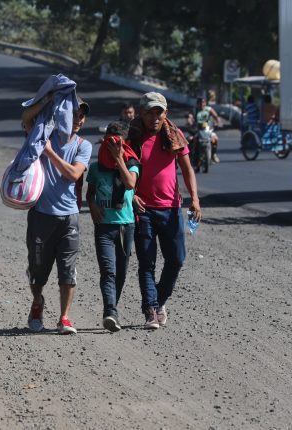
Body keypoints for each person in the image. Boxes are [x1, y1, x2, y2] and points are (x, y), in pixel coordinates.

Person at [20, 78, 92, 335]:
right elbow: (27, 118)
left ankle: (64, 317)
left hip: (69, 217)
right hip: (41, 215)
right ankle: (38, 302)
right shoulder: (43, 133)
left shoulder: (84, 146)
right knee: (37, 269)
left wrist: (49, 152)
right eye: (74, 114)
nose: (79, 120)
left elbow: (73, 174)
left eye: (82, 116)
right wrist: (48, 99)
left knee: (68, 270)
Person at [128, 92, 202, 329]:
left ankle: (158, 300)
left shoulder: (174, 136)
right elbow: (120, 172)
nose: (154, 117)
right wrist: (132, 195)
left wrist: (195, 199)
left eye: (158, 112)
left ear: (165, 113)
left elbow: (187, 169)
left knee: (177, 259)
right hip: (143, 210)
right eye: (149, 112)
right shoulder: (132, 137)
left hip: (171, 208)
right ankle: (151, 310)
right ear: (142, 113)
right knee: (146, 262)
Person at [86, 121, 140, 332]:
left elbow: (130, 184)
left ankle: (112, 308)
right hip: (104, 226)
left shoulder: (132, 164)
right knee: (108, 271)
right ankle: (110, 311)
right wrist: (91, 205)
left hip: (125, 226)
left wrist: (119, 158)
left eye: (117, 142)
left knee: (121, 272)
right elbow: (90, 192)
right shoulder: (96, 168)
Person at [195, 97, 222, 163]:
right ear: (197, 104)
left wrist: (218, 122)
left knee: (215, 139)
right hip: (198, 130)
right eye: (200, 103)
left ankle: (213, 154)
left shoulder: (209, 109)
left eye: (203, 102)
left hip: (208, 130)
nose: (202, 104)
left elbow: (216, 116)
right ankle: (193, 156)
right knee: (192, 140)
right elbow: (190, 118)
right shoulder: (195, 110)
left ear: (205, 103)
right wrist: (190, 122)